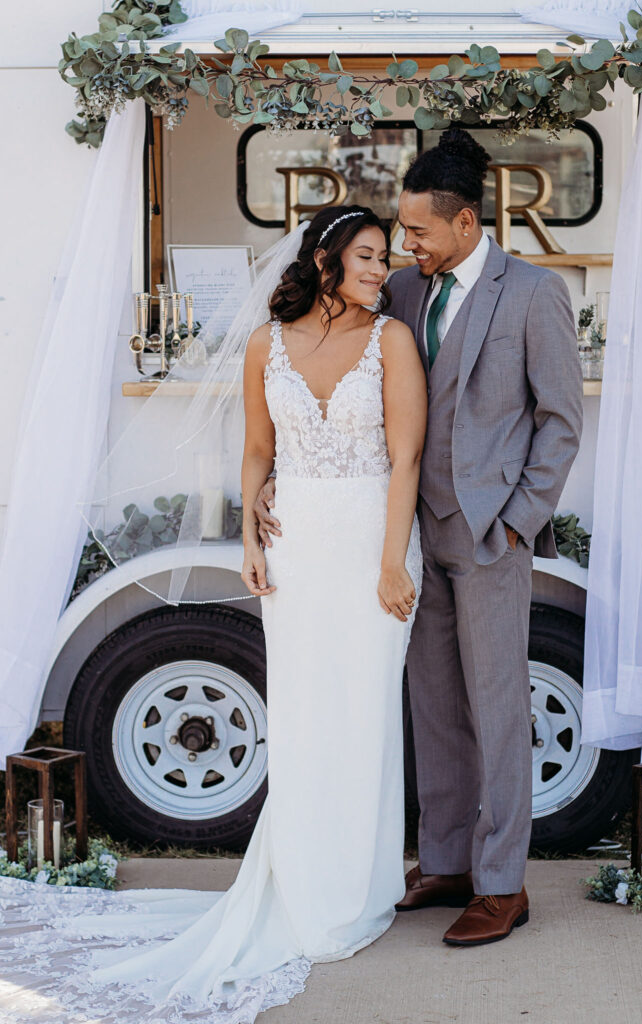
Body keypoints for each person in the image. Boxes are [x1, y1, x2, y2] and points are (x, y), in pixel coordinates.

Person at [0, 205, 427, 1024]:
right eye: (370, 257)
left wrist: (388, 560)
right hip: (296, 542)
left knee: (364, 714)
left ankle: (359, 888)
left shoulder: (393, 341)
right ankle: (301, 885)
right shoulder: (268, 344)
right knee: (302, 715)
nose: (384, 269)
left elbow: (405, 454)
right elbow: (258, 450)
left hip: (371, 538)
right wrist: (251, 540)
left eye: (386, 258)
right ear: (328, 261)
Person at [257, 127, 583, 947]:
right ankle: (443, 860)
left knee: (499, 705)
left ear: (465, 222)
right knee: (432, 705)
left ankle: (502, 884)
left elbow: (559, 423)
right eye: (400, 234)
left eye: (419, 232)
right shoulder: (400, 292)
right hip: (400, 536)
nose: (406, 245)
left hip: (487, 537)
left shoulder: (534, 294)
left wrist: (516, 522)